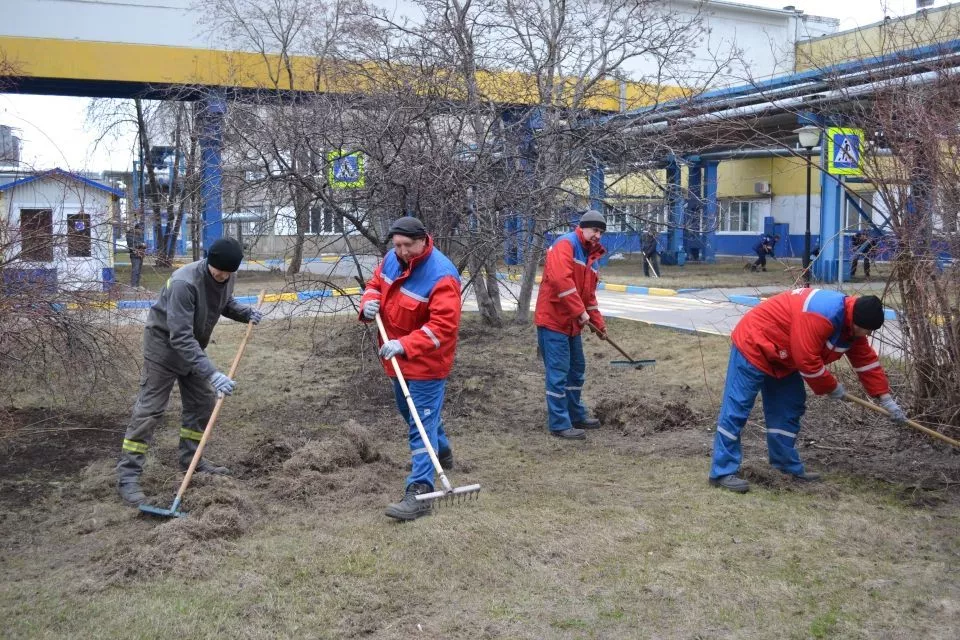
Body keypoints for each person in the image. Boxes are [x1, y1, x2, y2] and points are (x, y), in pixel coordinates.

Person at [709, 289, 906, 493]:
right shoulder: (821, 314)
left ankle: (784, 466)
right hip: (755, 343)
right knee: (737, 407)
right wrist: (831, 387)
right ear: (856, 322)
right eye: (867, 330)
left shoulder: (851, 327)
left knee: (788, 407)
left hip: (785, 356)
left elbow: (866, 362)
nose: (868, 335)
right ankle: (722, 471)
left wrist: (885, 398)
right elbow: (807, 361)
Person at [116, 237, 263, 506]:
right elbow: (180, 337)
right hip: (164, 348)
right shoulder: (184, 282)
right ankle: (128, 476)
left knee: (202, 403)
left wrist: (246, 313)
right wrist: (213, 374)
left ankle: (190, 460)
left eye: (228, 273)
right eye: (218, 271)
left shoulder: (228, 276)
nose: (222, 276)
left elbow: (223, 302)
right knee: (149, 411)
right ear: (208, 262)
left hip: (192, 348)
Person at [358, 216, 462, 521]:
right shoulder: (392, 258)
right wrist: (368, 303)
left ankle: (419, 490)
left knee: (420, 423)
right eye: (397, 245)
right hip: (396, 361)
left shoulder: (442, 276)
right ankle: (441, 450)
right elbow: (375, 284)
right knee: (410, 412)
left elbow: (443, 327)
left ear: (423, 239)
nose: (401, 251)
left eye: (408, 245)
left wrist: (405, 345)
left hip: (427, 362)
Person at [534, 209, 607, 441]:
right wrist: (579, 312)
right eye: (595, 230)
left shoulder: (591, 258)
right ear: (583, 227)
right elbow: (560, 281)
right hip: (553, 321)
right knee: (558, 373)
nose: (598, 235)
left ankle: (575, 414)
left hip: (572, 325)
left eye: (601, 232)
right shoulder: (565, 245)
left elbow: (590, 297)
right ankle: (559, 423)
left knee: (577, 370)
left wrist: (599, 325)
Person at [126, 221, 147, 288]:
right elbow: (131, 245)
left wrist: (144, 245)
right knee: (135, 270)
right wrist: (141, 244)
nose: (141, 231)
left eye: (142, 230)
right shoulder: (130, 235)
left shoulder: (140, 235)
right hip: (134, 255)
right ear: (136, 229)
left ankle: (137, 285)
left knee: (139, 270)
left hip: (140, 254)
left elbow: (143, 244)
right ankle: (133, 285)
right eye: (141, 230)